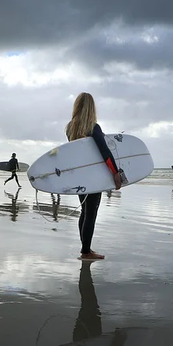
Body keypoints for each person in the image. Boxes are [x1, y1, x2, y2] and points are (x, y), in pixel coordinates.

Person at [66, 92, 122, 261]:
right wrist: (115, 173)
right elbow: (104, 152)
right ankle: (86, 251)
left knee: (85, 211)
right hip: (94, 178)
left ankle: (85, 247)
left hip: (79, 176)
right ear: (92, 108)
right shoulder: (93, 127)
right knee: (91, 213)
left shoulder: (70, 128)